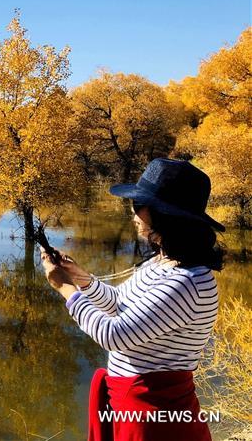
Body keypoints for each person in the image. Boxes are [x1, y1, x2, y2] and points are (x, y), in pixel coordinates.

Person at [42, 158, 225, 441]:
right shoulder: (163, 262)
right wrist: (82, 279)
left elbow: (115, 335)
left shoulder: (189, 281)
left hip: (155, 415)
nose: (134, 214)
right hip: (132, 403)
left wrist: (66, 290)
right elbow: (119, 305)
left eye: (138, 205)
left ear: (162, 215)